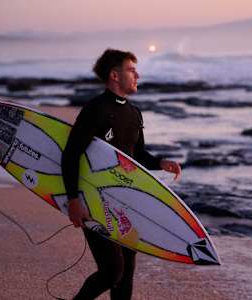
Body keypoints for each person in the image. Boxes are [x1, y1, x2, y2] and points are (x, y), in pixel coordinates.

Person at [61, 48, 181, 300]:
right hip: (93, 200)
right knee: (111, 271)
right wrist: (73, 200)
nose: (137, 74)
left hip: (125, 202)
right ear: (114, 75)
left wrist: (161, 162)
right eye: (131, 69)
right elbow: (71, 154)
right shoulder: (95, 109)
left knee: (125, 277)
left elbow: (136, 157)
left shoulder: (134, 113)